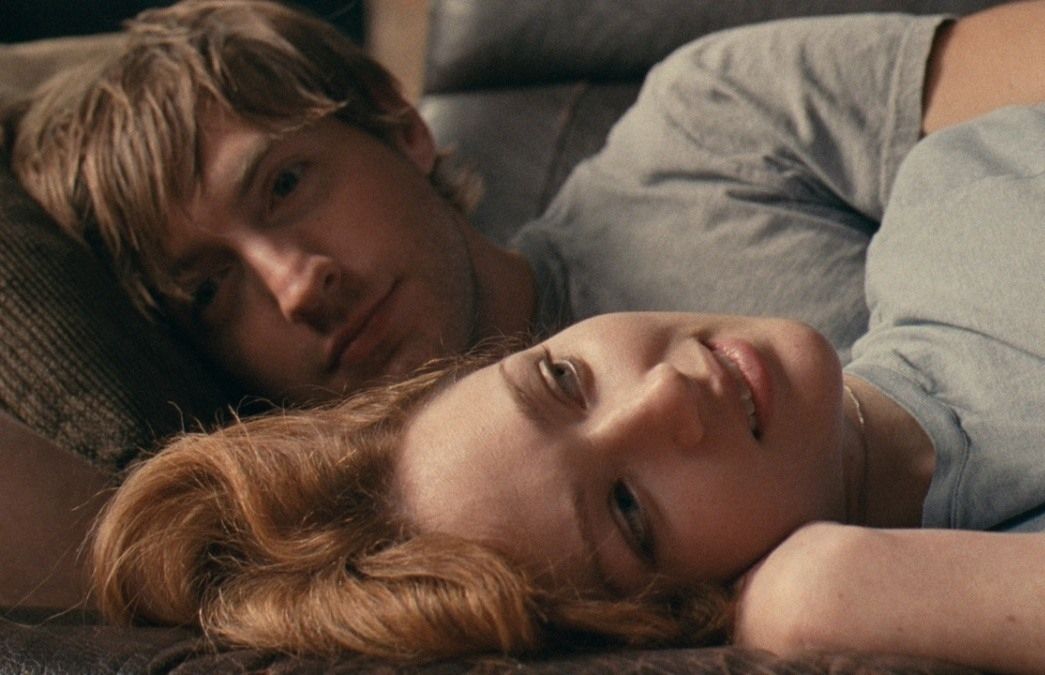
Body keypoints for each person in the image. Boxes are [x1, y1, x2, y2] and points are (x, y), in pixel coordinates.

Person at [91, 96, 1045, 671]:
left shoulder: (965, 188)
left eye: (563, 379)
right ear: (673, 624)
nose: (664, 398)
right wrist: (826, 596)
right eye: (627, 508)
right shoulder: (878, 602)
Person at [8, 0, 1045, 404]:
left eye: (284, 184)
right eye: (209, 290)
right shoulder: (396, 560)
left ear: (398, 124)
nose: (293, 285)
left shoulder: (715, 125)